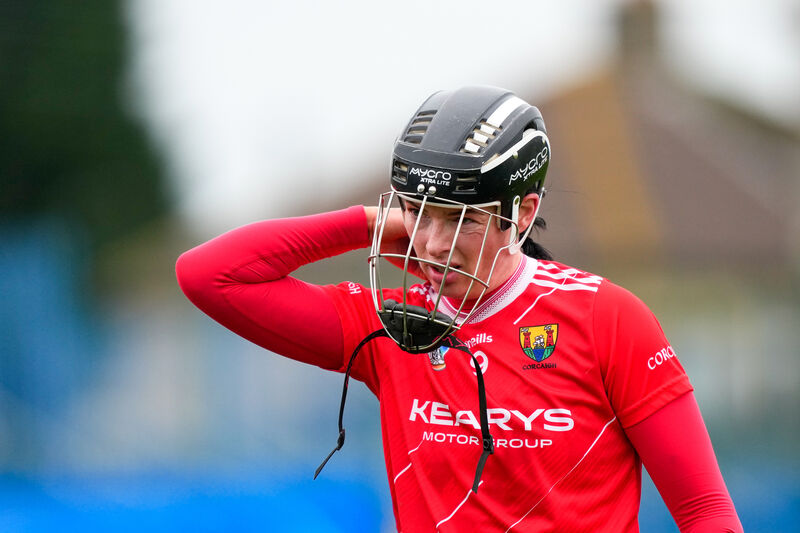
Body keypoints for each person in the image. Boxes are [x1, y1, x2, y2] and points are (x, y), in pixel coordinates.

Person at [176, 86, 743, 532]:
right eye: (418, 214)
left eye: (461, 218)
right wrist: (368, 223)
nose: (432, 242)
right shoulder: (391, 328)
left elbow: (707, 513)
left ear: (522, 212)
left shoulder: (608, 319)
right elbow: (208, 275)